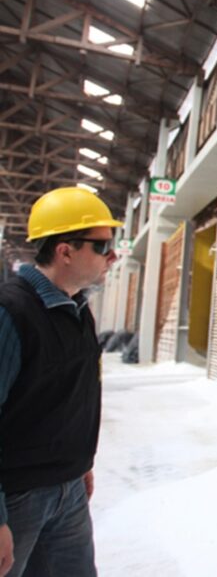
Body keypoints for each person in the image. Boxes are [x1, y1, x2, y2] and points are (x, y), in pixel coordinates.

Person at [0, 187, 122, 577]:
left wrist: (80, 460)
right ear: (65, 251)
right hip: (17, 498)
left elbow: (72, 395)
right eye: (102, 246)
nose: (113, 256)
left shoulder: (78, 310)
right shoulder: (11, 313)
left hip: (69, 491)